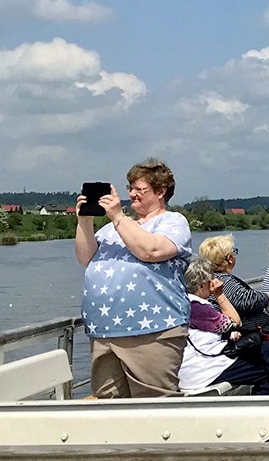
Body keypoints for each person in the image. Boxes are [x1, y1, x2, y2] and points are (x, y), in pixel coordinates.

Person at [75, 159, 192, 398]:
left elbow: (151, 251)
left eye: (140, 189)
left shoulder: (172, 222)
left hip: (152, 331)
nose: (131, 194)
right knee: (108, 404)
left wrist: (118, 217)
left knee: (152, 404)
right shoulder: (110, 230)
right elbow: (85, 257)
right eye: (130, 188)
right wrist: (84, 222)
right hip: (105, 332)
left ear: (161, 192)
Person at [177, 260, 269, 396]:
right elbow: (235, 322)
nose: (214, 282)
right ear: (201, 286)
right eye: (211, 279)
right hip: (206, 369)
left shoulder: (187, 303)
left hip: (205, 365)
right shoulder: (197, 307)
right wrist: (219, 294)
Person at [198, 235, 269, 334]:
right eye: (233, 252)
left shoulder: (214, 278)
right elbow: (246, 299)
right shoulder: (222, 281)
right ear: (229, 259)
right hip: (250, 334)